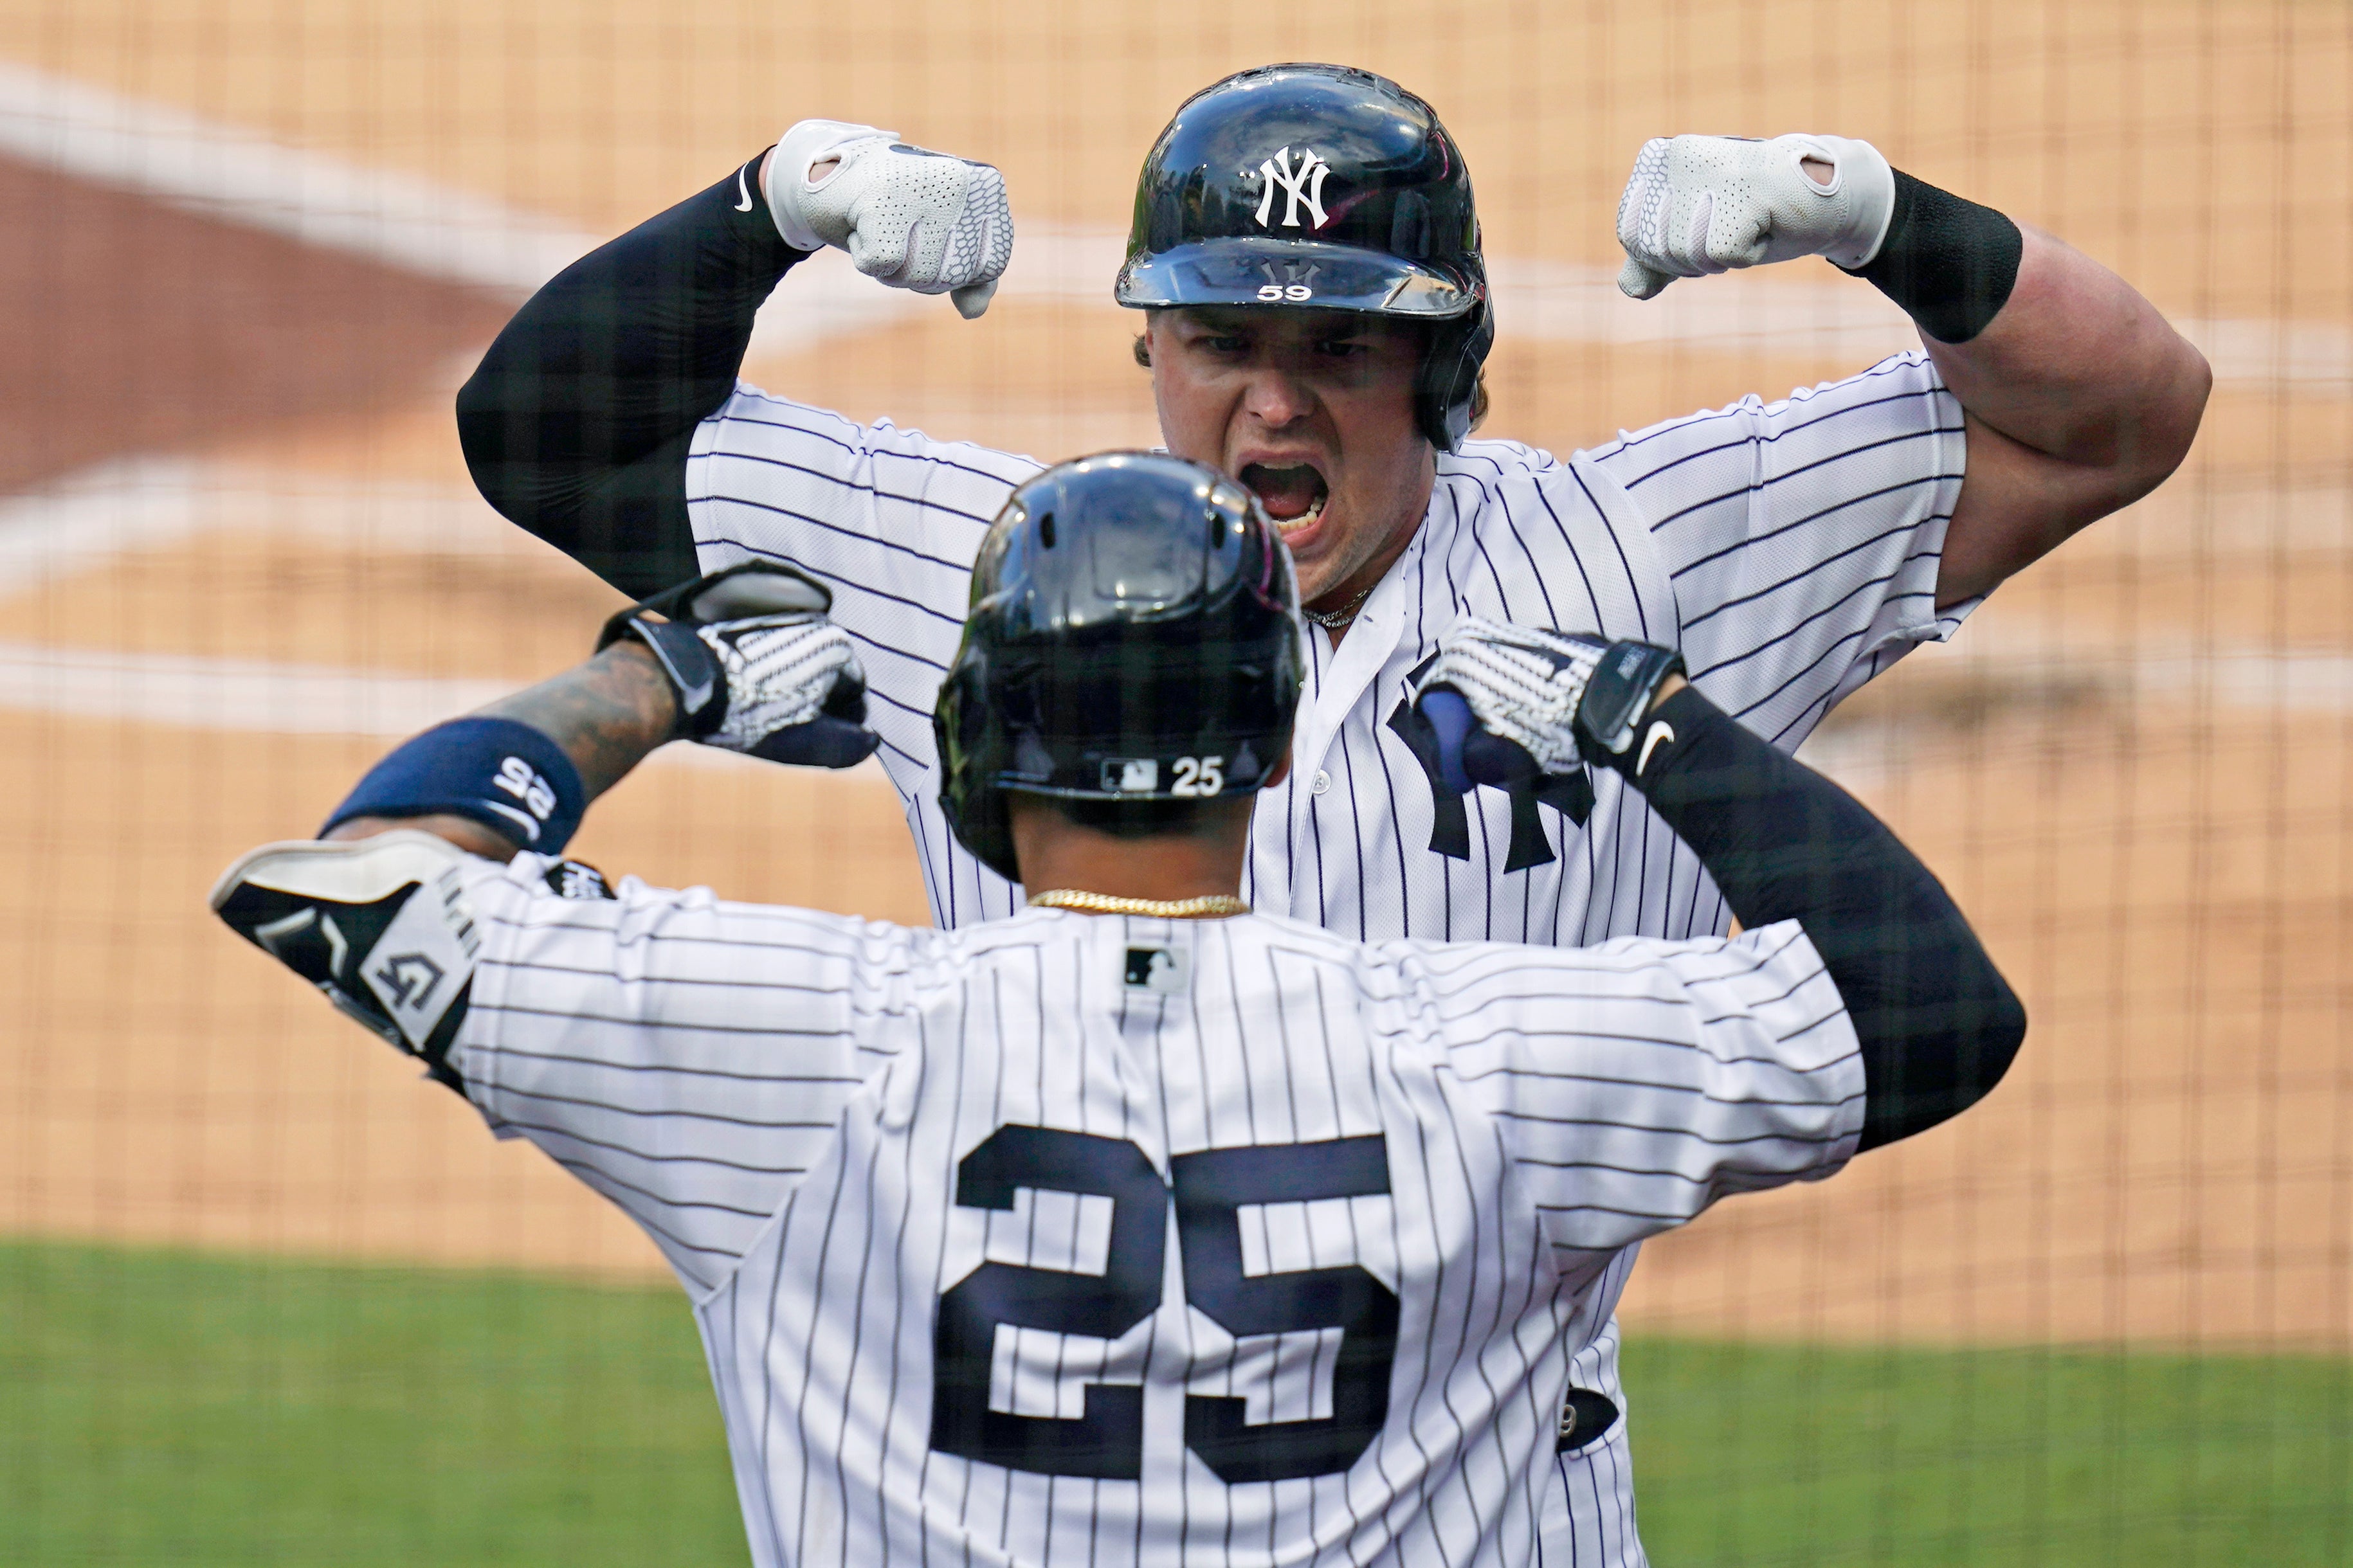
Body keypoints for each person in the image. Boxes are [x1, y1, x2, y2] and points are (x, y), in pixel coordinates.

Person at [451, 61, 2178, 1560]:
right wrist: (771, 203)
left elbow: (2115, 412)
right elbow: (541, 435)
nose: (1268, 405)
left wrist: (1869, 211)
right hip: (1045, 1494)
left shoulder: (1639, 554)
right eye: (1218, 340)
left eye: (1337, 347)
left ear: (1445, 358)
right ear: (1147, 339)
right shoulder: (1010, 567)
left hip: (1486, 1506)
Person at [215, 453, 2024, 1568]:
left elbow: (357, 878)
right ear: (1275, 739)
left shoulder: (796, 1043)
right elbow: (1934, 1010)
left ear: (976, 736)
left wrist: (655, 676)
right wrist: (1652, 725)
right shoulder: (1488, 1061)